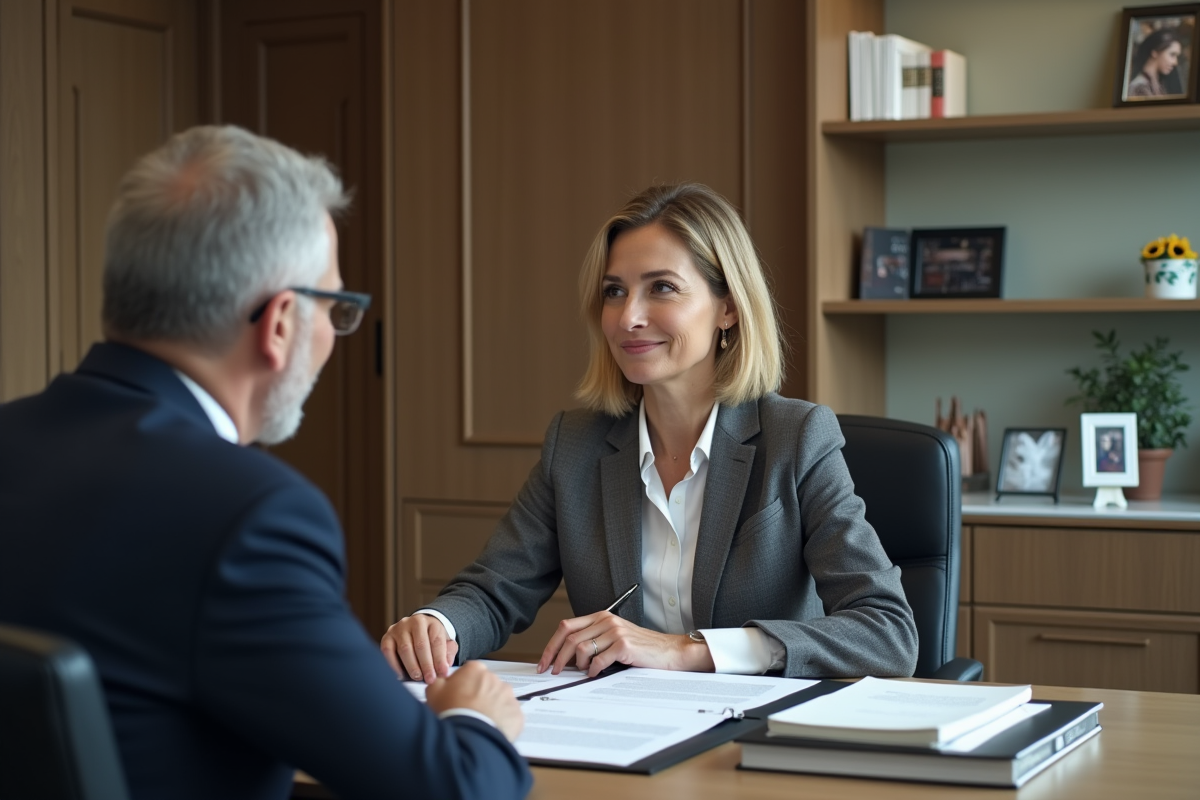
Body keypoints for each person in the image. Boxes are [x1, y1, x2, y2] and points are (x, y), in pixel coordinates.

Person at [0, 126, 530, 800]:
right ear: (281, 323)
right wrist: (474, 719)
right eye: (335, 307)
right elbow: (452, 790)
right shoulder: (248, 518)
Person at [382, 183, 918, 683]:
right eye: (615, 292)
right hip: (626, 733)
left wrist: (687, 650)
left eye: (661, 287)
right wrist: (436, 625)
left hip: (756, 738)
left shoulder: (796, 438)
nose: (628, 317)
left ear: (727, 307)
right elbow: (495, 589)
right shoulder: (574, 445)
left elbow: (888, 632)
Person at [1127, 27, 1186, 98]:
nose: (1175, 62)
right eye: (1172, 54)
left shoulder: (1158, 85)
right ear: (1155, 52)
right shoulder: (1139, 88)